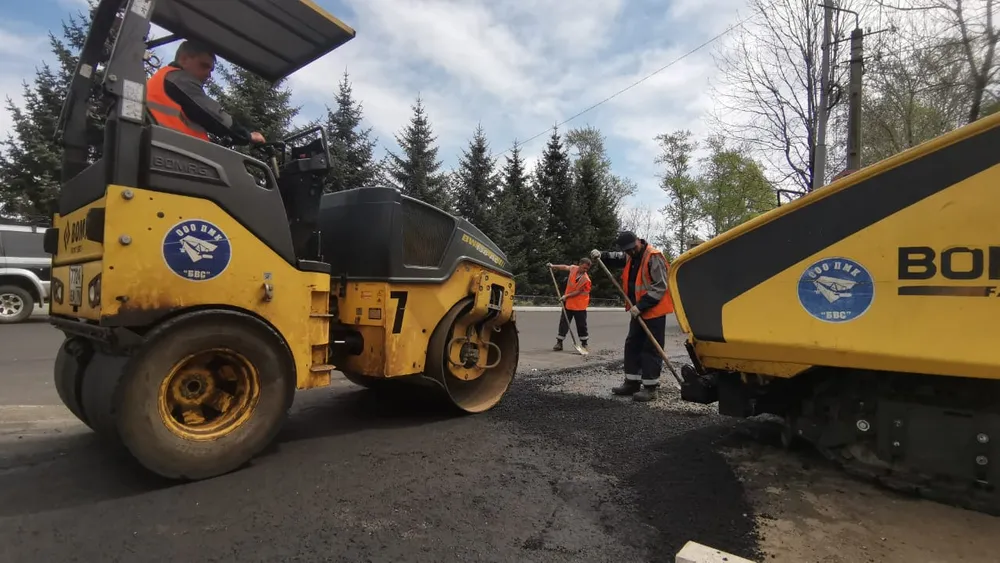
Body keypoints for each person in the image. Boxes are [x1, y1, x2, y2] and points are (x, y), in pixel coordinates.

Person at [590, 231, 674, 402]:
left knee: (650, 348)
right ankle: (632, 382)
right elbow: (615, 258)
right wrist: (601, 255)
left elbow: (660, 286)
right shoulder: (630, 255)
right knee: (632, 344)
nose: (630, 252)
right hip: (637, 310)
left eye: (632, 249)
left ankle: (650, 388)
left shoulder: (653, 256)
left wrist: (641, 306)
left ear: (638, 242)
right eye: (627, 250)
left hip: (653, 310)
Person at [146, 40, 265, 145]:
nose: (209, 74)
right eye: (204, 66)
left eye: (211, 70)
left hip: (167, 148)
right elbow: (212, 115)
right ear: (184, 59)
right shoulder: (177, 78)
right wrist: (247, 135)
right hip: (170, 152)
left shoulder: (165, 79)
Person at [547, 257, 592, 352]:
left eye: (587, 269)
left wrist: (566, 296)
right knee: (564, 322)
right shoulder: (573, 269)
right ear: (579, 264)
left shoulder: (586, 279)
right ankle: (559, 343)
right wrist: (553, 266)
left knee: (581, 325)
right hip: (568, 303)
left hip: (580, 305)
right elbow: (564, 267)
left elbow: (578, 292)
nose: (585, 270)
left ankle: (584, 344)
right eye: (584, 268)